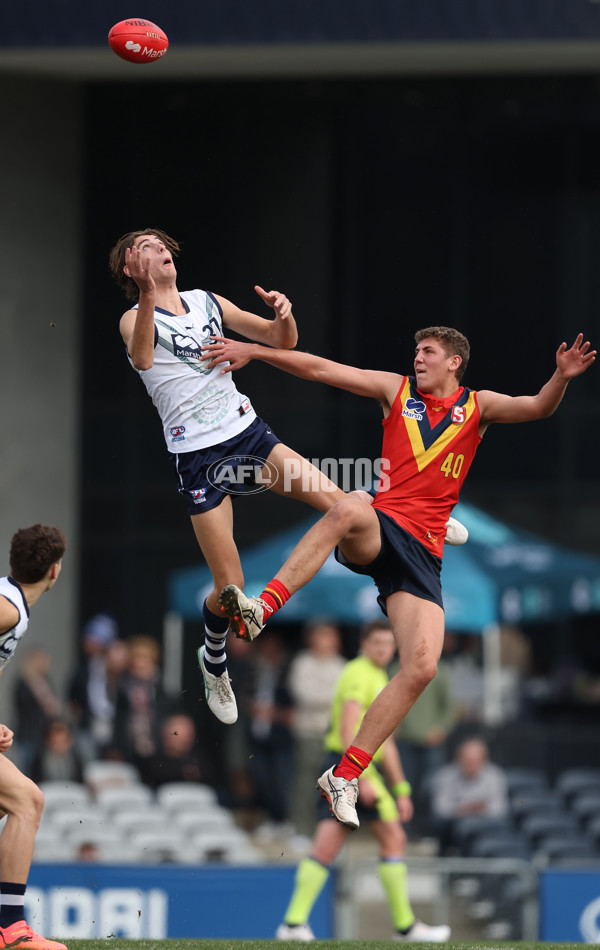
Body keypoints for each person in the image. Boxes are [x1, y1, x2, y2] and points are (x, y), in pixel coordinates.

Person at [212, 327, 595, 828]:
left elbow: (539, 407)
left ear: (454, 362)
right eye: (415, 350)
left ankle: (344, 776)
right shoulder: (396, 392)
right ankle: (264, 606)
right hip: (382, 527)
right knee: (350, 505)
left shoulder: (479, 407)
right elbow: (323, 369)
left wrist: (561, 377)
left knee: (422, 667)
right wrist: (255, 351)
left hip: (422, 554)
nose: (417, 358)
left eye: (428, 352)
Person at [108, 230, 466, 728]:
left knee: (341, 501)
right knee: (230, 590)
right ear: (130, 268)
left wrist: (283, 314)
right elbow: (144, 359)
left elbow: (282, 341)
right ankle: (214, 660)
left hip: (246, 435)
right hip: (196, 458)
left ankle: (420, 521)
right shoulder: (135, 317)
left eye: (159, 243)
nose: (157, 250)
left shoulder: (206, 301)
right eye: (143, 247)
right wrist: (147, 297)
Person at [276, 620, 450, 943]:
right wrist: (361, 779)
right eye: (377, 644)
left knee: (339, 844)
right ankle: (404, 927)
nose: (383, 650)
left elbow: (388, 743)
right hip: (347, 768)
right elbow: (346, 730)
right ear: (364, 644)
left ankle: (294, 923)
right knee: (388, 839)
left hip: (352, 770)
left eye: (389, 644)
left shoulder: (382, 676)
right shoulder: (358, 673)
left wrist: (401, 789)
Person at [0, 523, 68, 950]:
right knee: (27, 801)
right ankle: (11, 930)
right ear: (55, 571)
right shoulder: (9, 608)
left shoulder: (13, 602)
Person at [287, 620, 347, 840]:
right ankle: (302, 830)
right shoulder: (302, 663)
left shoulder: (342, 665)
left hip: (334, 735)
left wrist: (334, 699)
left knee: (333, 786)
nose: (326, 641)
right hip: (308, 733)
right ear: (312, 639)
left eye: (330, 636)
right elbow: (304, 694)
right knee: (305, 783)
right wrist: (333, 698)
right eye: (321, 635)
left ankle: (328, 833)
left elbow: (345, 699)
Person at [429, 736, 509, 855]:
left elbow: (500, 809)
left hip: (487, 827)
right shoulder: (445, 776)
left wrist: (479, 810)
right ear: (458, 759)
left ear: (484, 760)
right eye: (466, 761)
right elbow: (440, 809)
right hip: (452, 828)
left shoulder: (496, 776)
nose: (470, 765)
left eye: (474, 761)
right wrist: (462, 810)